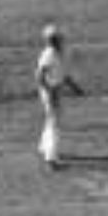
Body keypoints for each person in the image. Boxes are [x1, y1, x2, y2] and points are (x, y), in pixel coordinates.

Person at [35, 24, 86, 170]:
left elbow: (64, 74)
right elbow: (39, 76)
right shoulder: (49, 54)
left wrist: (75, 87)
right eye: (55, 38)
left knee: (52, 119)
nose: (58, 40)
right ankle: (51, 159)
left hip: (55, 89)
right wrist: (50, 93)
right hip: (50, 91)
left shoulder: (60, 53)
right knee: (55, 123)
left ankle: (44, 148)